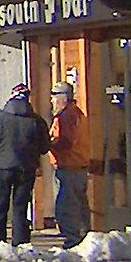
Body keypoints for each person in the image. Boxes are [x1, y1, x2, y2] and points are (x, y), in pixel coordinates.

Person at [0, 81, 50, 247]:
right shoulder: (37, 121)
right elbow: (44, 147)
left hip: (3, 167)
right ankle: (20, 240)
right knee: (21, 205)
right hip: (27, 168)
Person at [47, 82, 91, 249]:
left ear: (62, 98)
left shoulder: (65, 117)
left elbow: (65, 142)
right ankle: (82, 236)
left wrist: (48, 143)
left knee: (67, 206)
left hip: (69, 165)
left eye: (54, 97)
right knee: (79, 204)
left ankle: (73, 240)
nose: (52, 101)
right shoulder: (77, 113)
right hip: (78, 164)